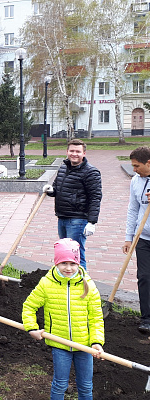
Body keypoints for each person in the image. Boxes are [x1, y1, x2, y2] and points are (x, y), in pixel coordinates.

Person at [23, 238, 104, 400]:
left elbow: (96, 317)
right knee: (60, 384)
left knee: (86, 387)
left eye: (73, 264)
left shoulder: (88, 285)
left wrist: (96, 341)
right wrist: (32, 328)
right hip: (59, 343)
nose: (68, 268)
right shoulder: (47, 284)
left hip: (85, 345)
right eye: (64, 263)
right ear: (56, 263)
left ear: (78, 264)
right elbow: (29, 306)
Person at [43, 139, 102, 270]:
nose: (74, 154)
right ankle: (68, 284)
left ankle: (83, 286)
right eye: (72, 151)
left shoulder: (91, 172)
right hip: (62, 217)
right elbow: (57, 188)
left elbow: (95, 198)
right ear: (67, 152)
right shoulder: (63, 167)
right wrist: (51, 191)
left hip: (78, 220)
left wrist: (92, 222)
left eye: (78, 151)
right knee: (65, 253)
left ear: (84, 153)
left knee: (76, 256)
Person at [124, 146, 150, 333]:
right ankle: (146, 318)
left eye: (137, 166)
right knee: (144, 276)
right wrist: (129, 237)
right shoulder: (135, 181)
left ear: (149, 163)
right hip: (143, 238)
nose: (134, 169)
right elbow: (133, 209)